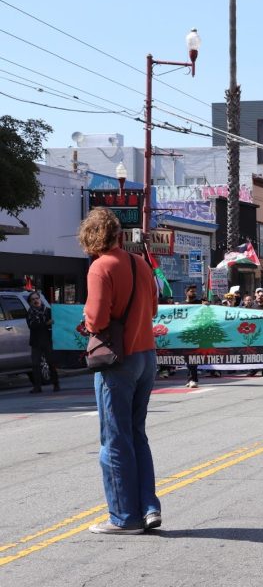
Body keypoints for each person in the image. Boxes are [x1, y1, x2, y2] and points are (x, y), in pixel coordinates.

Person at [78, 208, 161, 534]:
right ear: (119, 234)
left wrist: (87, 320)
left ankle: (124, 518)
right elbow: (153, 308)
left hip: (119, 361)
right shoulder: (139, 263)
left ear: (91, 236)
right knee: (137, 435)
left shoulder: (100, 268)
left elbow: (97, 320)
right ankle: (149, 507)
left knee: (114, 439)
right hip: (146, 356)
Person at [26, 291, 60, 394]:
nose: (36, 301)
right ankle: (37, 387)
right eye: (33, 299)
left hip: (47, 341)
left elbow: (58, 320)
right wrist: (46, 323)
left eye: (37, 298)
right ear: (30, 302)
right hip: (36, 342)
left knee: (51, 363)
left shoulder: (48, 311)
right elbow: (33, 326)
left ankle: (56, 384)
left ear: (40, 299)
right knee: (35, 365)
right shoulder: (30, 313)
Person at [183, 284, 201, 388]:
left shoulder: (199, 303)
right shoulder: (181, 305)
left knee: (193, 357)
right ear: (186, 292)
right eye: (192, 291)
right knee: (187, 358)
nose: (194, 293)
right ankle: (190, 378)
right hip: (185, 335)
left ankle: (193, 379)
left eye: (195, 292)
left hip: (196, 334)